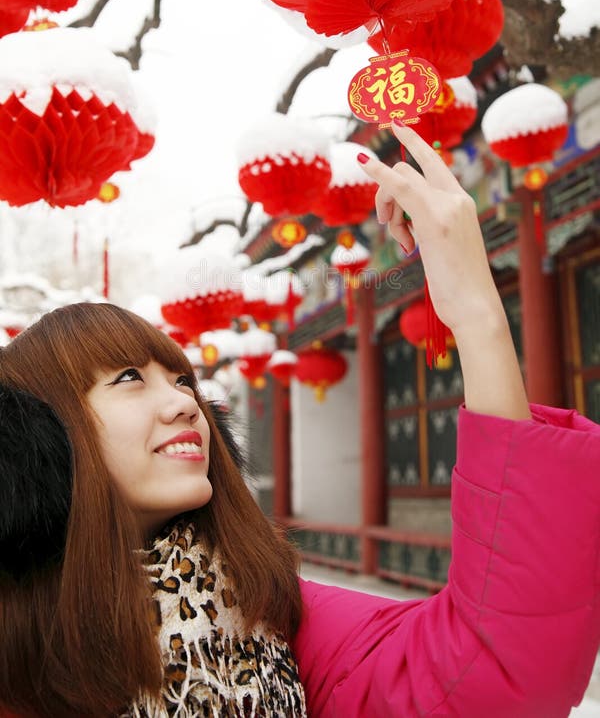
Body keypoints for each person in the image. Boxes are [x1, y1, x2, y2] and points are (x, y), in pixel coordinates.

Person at [1, 121, 599, 718]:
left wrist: (475, 314)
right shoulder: (18, 653)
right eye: (129, 378)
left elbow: (488, 671)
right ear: (39, 440)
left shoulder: (272, 613)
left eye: (184, 379)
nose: (186, 403)